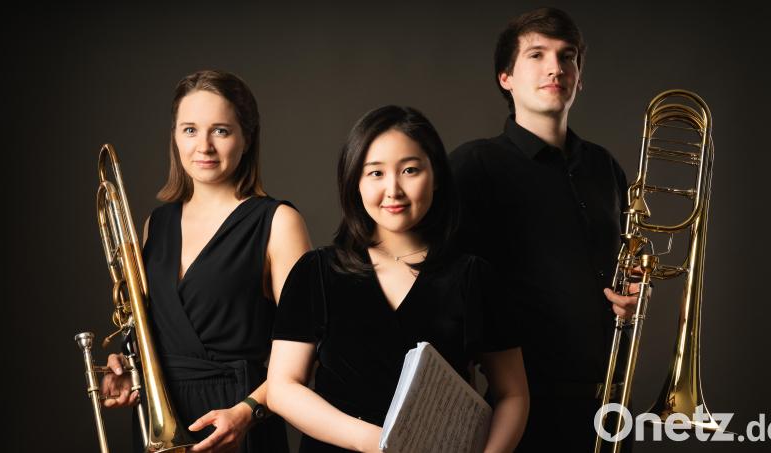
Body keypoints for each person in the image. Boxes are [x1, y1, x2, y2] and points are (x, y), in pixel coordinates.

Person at [265, 105, 529, 452]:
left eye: (410, 170)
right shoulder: (316, 271)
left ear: (436, 177)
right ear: (354, 182)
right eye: (375, 173)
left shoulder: (473, 276)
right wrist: (379, 443)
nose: (393, 190)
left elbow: (513, 394)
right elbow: (282, 388)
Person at [448, 7, 639, 452]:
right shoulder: (474, 165)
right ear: (506, 78)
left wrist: (631, 295)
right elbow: (444, 284)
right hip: (523, 408)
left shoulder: (605, 167)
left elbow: (616, 268)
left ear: (579, 76)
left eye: (567, 56)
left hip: (611, 403)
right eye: (536, 55)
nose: (555, 68)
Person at [99, 69, 312, 453]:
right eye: (190, 130)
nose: (204, 146)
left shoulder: (279, 222)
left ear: (247, 138)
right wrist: (131, 370)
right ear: (175, 137)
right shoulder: (155, 225)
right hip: (161, 425)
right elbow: (160, 335)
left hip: (238, 423)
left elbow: (308, 347)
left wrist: (247, 412)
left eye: (221, 131)